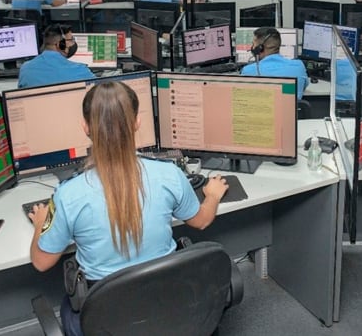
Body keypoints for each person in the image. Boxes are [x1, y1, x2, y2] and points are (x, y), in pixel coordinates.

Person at [28, 81, 229, 336]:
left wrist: (39, 225)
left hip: (103, 320)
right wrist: (211, 195)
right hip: (169, 304)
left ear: (86, 127)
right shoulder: (169, 175)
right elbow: (201, 221)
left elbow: (42, 262)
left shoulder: (68, 195)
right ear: (136, 123)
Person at [17, 24, 94, 88]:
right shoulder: (81, 70)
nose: (73, 43)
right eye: (71, 40)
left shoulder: (25, 68)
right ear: (61, 44)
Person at [241, 27, 308, 100]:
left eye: (253, 44)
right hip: (288, 111)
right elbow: (303, 87)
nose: (252, 48)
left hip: (262, 111)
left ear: (260, 48)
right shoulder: (298, 66)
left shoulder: (248, 71)